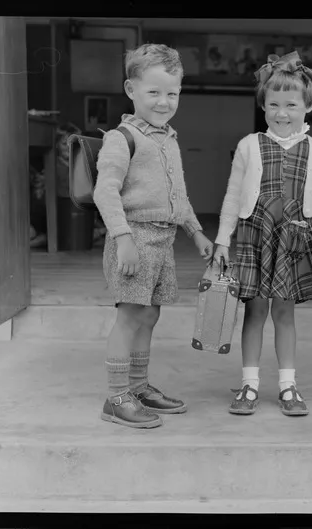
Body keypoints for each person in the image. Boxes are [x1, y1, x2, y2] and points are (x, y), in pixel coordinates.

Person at [94, 43, 214, 429]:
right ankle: (116, 398)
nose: (164, 102)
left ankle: (139, 386)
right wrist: (123, 237)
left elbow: (178, 196)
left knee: (150, 315)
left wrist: (195, 231)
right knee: (130, 316)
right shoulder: (122, 137)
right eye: (154, 93)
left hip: (162, 241)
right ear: (131, 90)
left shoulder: (167, 139)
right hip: (134, 238)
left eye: (172, 93)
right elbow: (105, 191)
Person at [212, 51, 312, 417]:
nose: (282, 113)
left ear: (308, 105)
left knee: (285, 314)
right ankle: (249, 386)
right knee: (254, 313)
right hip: (256, 235)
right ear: (263, 106)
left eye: (291, 105)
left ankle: (288, 387)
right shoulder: (249, 145)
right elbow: (233, 196)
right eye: (273, 104)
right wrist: (222, 238)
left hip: (297, 240)